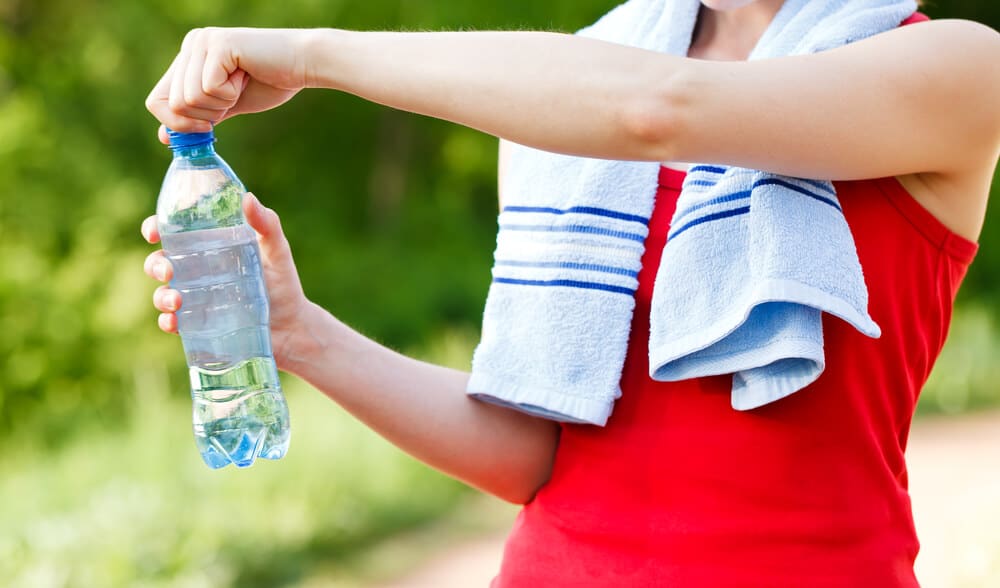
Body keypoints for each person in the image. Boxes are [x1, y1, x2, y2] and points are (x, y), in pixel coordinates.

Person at [141, 1, 1000, 585]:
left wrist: (313, 52)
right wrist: (297, 332)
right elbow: (532, 451)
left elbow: (661, 111)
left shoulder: (958, 65)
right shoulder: (558, 106)